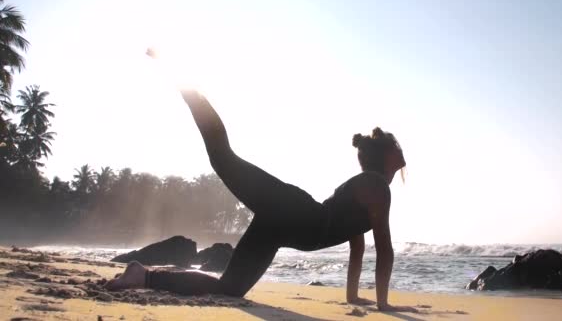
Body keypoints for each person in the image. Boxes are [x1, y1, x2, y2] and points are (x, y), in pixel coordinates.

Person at [106, 90, 413, 311]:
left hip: (282, 226)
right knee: (224, 158)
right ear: (387, 155)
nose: (402, 150)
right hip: (291, 210)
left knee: (229, 289)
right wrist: (384, 305)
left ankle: (143, 275)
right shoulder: (376, 186)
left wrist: (353, 296)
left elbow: (357, 245)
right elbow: (383, 250)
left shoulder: (370, 187)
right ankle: (189, 89)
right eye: (396, 146)